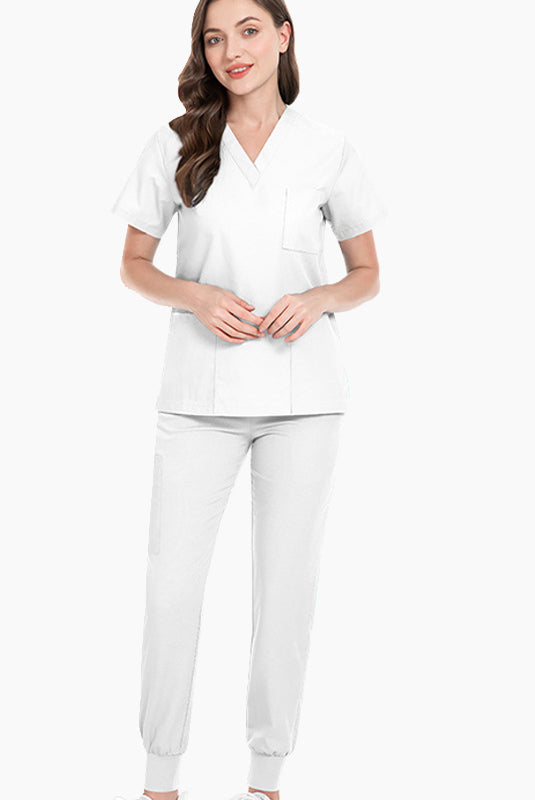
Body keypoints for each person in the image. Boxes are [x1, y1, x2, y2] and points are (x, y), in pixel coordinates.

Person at [111, 1, 387, 799]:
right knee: (172, 586)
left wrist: (321, 298)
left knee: (285, 591)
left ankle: (266, 779)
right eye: (214, 37)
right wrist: (195, 295)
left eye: (249, 30)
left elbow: (368, 274)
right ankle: (160, 778)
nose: (231, 49)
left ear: (283, 36)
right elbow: (134, 264)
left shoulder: (328, 149)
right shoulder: (178, 141)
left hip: (305, 400)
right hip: (199, 396)